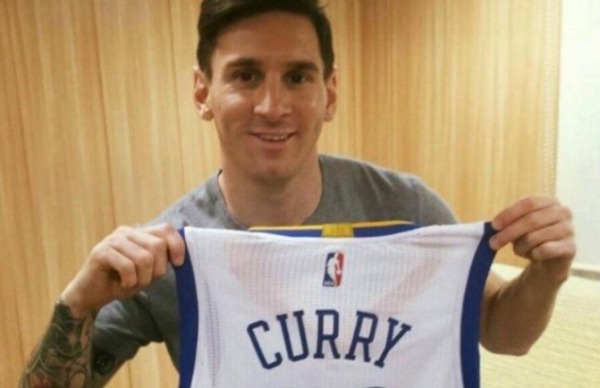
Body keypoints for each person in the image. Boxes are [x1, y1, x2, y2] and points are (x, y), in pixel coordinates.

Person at [20, 0, 576, 386]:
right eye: (244, 75)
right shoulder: (170, 255)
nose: (272, 106)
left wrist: (544, 275)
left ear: (329, 93)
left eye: (297, 77)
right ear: (202, 92)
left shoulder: (406, 209)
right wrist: (78, 303)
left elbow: (504, 335)